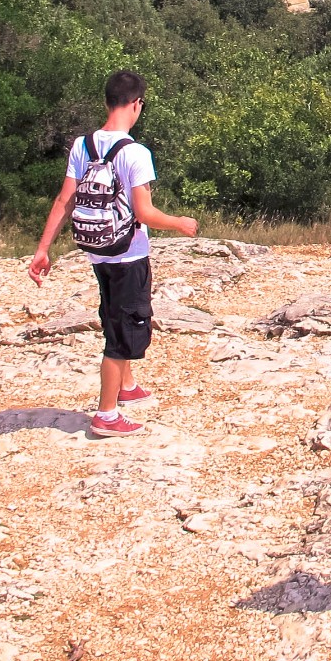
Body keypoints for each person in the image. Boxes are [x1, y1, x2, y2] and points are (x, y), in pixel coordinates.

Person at [28, 70, 199, 438]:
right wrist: (179, 223)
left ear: (107, 102)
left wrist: (43, 249)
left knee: (113, 315)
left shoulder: (82, 145)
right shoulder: (136, 153)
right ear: (137, 104)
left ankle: (126, 386)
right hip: (128, 255)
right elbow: (144, 213)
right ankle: (106, 414)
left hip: (97, 251)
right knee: (124, 332)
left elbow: (64, 200)